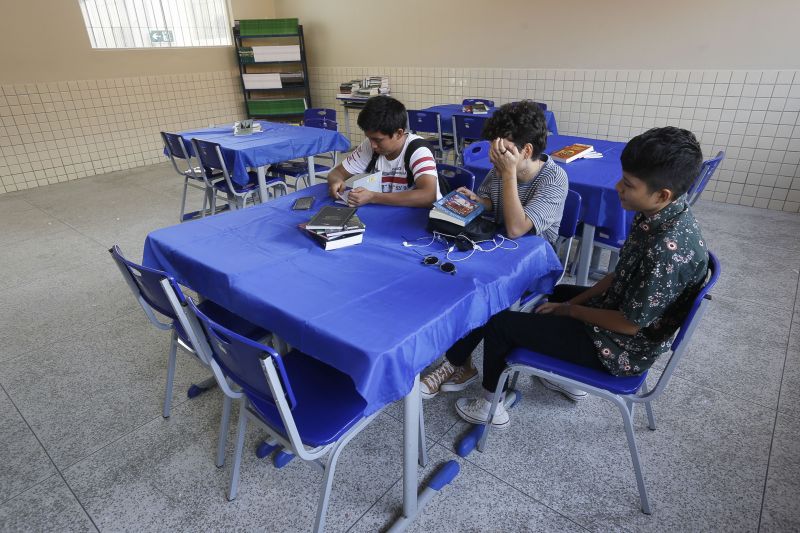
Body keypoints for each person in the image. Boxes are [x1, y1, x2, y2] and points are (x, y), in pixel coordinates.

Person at [442, 126, 711, 430]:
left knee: (500, 324)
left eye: (629, 184)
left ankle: (491, 407)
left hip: (620, 350)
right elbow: (619, 276)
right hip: (620, 315)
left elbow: (629, 323)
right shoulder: (659, 212)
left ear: (662, 194)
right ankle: (564, 379)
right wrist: (568, 302)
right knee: (554, 295)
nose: (619, 188)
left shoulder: (667, 251)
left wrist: (570, 310)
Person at [419, 100, 568, 399]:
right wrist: (470, 200)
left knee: (483, 294)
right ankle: (462, 363)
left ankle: (455, 363)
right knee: (454, 279)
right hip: (498, 252)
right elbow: (489, 201)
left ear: (525, 151)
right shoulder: (500, 169)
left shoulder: (553, 179)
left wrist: (509, 174)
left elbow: (516, 227)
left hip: (534, 264)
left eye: (500, 150)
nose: (492, 156)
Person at [326, 95, 439, 208]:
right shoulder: (370, 145)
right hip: (384, 212)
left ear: (399, 133)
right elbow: (336, 173)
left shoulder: (418, 150)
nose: (372, 145)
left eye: (378, 140)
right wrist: (337, 181)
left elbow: (429, 196)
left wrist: (373, 197)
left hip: (412, 218)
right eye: (369, 138)